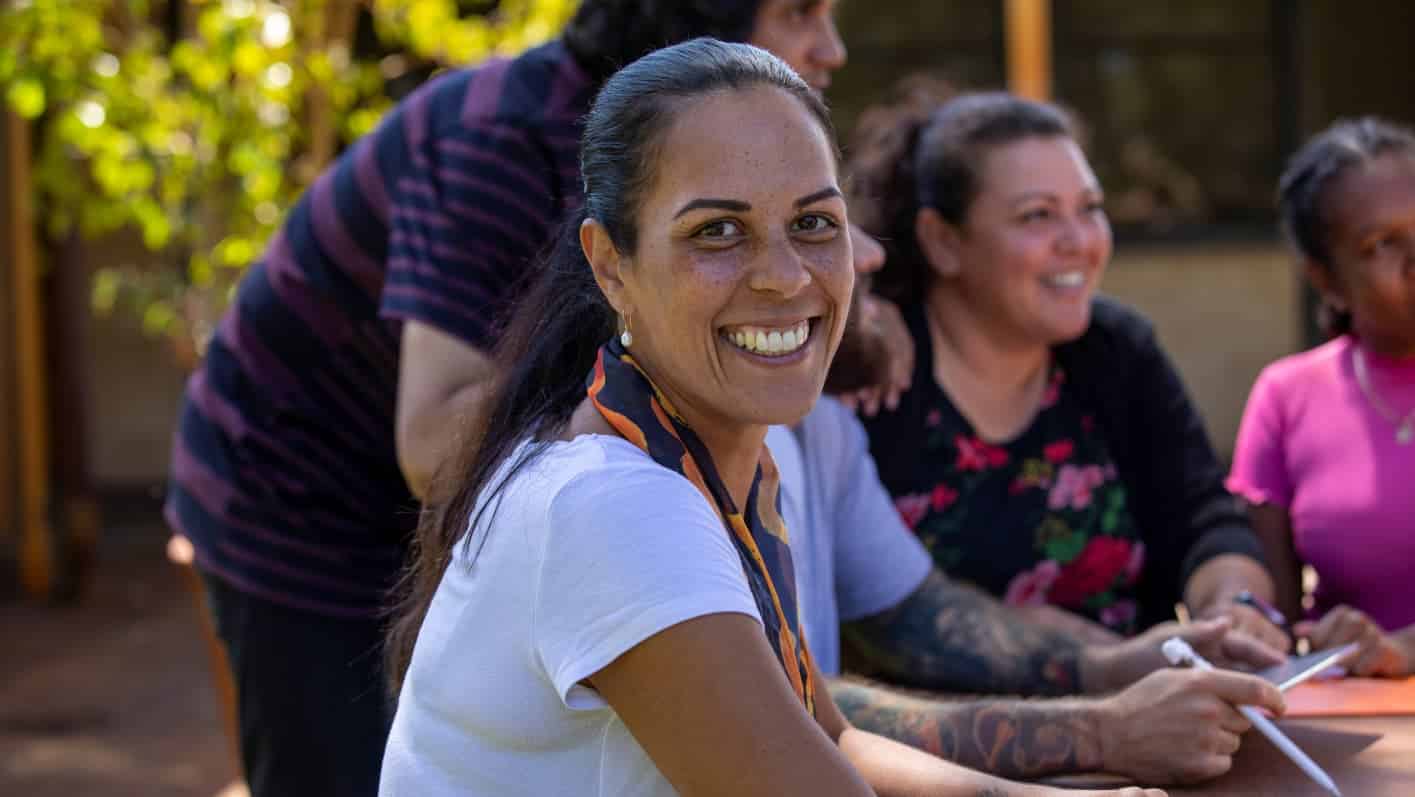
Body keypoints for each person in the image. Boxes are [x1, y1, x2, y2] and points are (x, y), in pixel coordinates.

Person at [380, 37, 1164, 797]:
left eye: (813, 223)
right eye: (716, 232)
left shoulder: (720, 460)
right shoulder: (613, 506)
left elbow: (833, 742)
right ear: (610, 265)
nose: (784, 277)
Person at [163, 3, 887, 795]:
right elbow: (431, 442)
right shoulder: (496, 140)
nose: (831, 47)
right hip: (289, 494)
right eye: (798, 10)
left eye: (812, 222)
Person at [845, 88, 1289, 648]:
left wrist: (1232, 606)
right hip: (930, 706)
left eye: (1090, 208)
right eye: (1038, 215)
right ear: (943, 241)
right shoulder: (875, 371)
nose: (1079, 241)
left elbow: (1205, 520)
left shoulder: (1116, 350)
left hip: (1149, 697)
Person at [1227, 117, 1415, 678]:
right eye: (1382, 244)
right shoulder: (1287, 397)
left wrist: (1405, 651)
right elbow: (1273, 630)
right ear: (1326, 280)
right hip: (1358, 717)